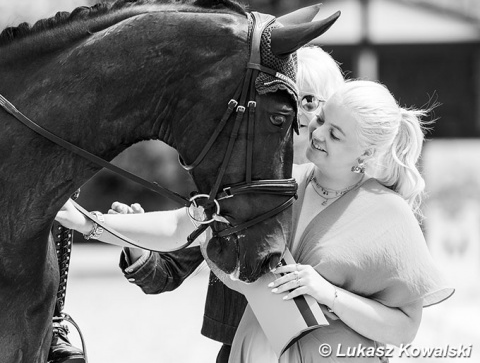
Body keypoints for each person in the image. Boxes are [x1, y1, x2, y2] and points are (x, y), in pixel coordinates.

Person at [54, 46, 345, 363]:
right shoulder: (238, 186)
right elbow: (170, 256)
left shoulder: (352, 193)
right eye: (285, 99)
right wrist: (129, 240)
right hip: (240, 350)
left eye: (310, 101)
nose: (297, 113)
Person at [216, 80, 455, 362]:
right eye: (320, 119)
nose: (317, 133)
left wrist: (327, 293)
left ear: (365, 154)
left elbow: (405, 329)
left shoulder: (389, 213)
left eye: (335, 135)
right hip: (253, 351)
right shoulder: (277, 183)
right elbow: (231, 271)